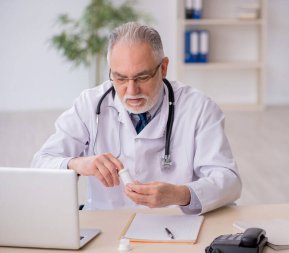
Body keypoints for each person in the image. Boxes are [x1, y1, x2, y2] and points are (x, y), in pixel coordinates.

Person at [32, 22, 241, 214]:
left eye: (142, 77)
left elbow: (229, 181)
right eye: (120, 78)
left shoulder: (199, 108)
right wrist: (77, 164)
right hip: (107, 223)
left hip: (174, 225)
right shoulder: (89, 104)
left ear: (164, 68)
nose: (131, 90)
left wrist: (180, 194)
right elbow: (41, 164)